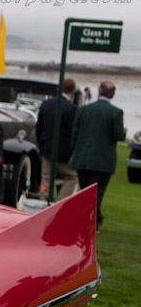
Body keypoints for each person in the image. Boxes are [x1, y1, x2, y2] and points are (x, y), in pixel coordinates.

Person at [69, 81, 126, 230]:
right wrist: (124, 131)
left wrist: (75, 151)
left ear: (99, 92)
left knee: (85, 191)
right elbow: (118, 135)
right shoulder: (116, 112)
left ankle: (92, 219)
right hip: (103, 160)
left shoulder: (84, 110)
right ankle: (91, 222)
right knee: (96, 194)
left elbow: (74, 133)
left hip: (83, 157)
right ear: (112, 95)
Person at [36, 77, 79, 201]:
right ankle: (60, 200)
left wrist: (41, 145)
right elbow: (72, 132)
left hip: (47, 148)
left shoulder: (46, 104)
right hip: (64, 152)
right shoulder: (72, 108)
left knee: (46, 179)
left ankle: (43, 197)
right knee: (73, 177)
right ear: (72, 91)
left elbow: (39, 127)